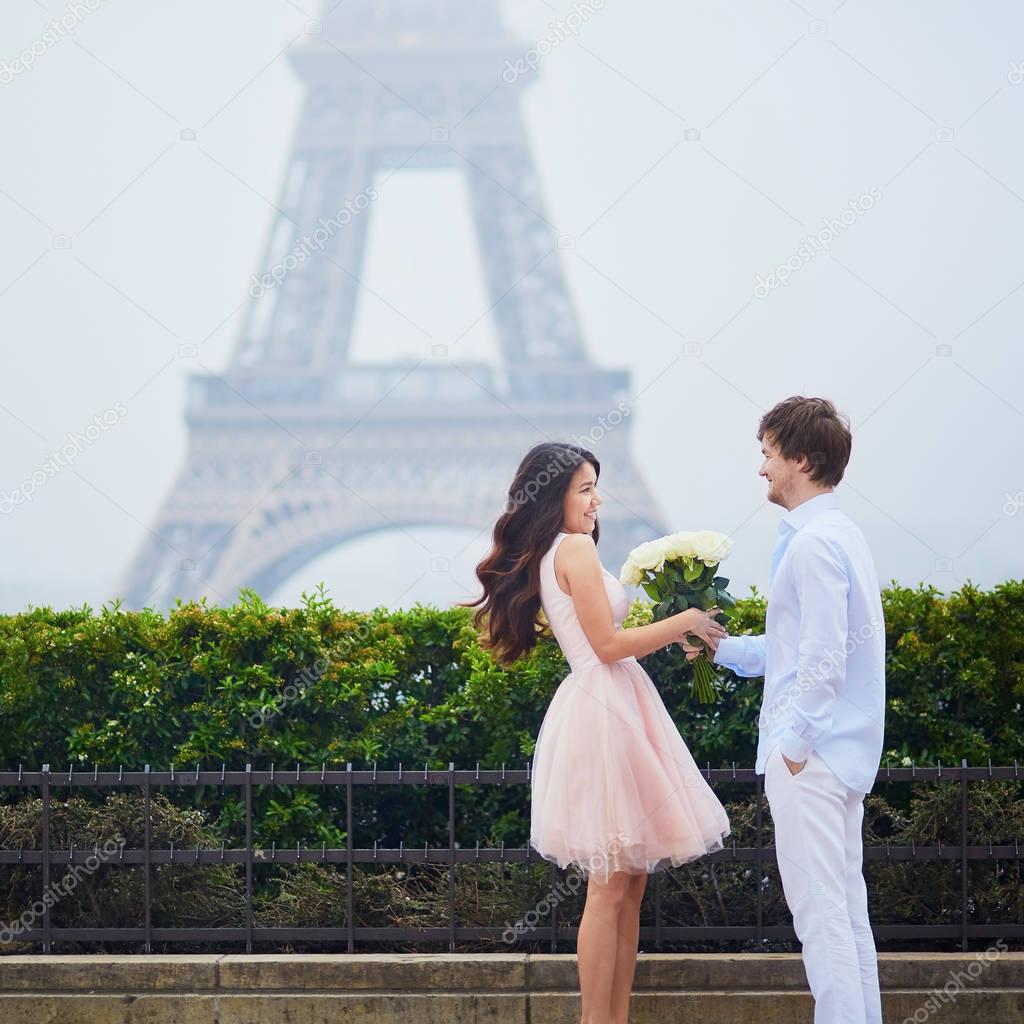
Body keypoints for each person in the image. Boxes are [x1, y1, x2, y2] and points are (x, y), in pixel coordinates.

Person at [465, 441, 730, 1024]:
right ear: (553, 495)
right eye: (585, 488)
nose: (596, 499)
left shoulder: (561, 550)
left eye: (595, 487)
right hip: (606, 707)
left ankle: (614, 1018)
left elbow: (604, 639)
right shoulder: (575, 549)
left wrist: (672, 626)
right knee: (610, 886)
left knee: (628, 884)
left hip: (612, 702)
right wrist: (683, 620)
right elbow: (607, 646)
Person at [684, 396, 885, 1024]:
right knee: (844, 915)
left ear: (800, 458)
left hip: (813, 761)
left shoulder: (812, 546)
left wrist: (793, 749)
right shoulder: (837, 535)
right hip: (836, 757)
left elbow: (822, 660)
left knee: (821, 917)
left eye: (768, 454)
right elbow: (801, 650)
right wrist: (723, 651)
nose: (762, 469)